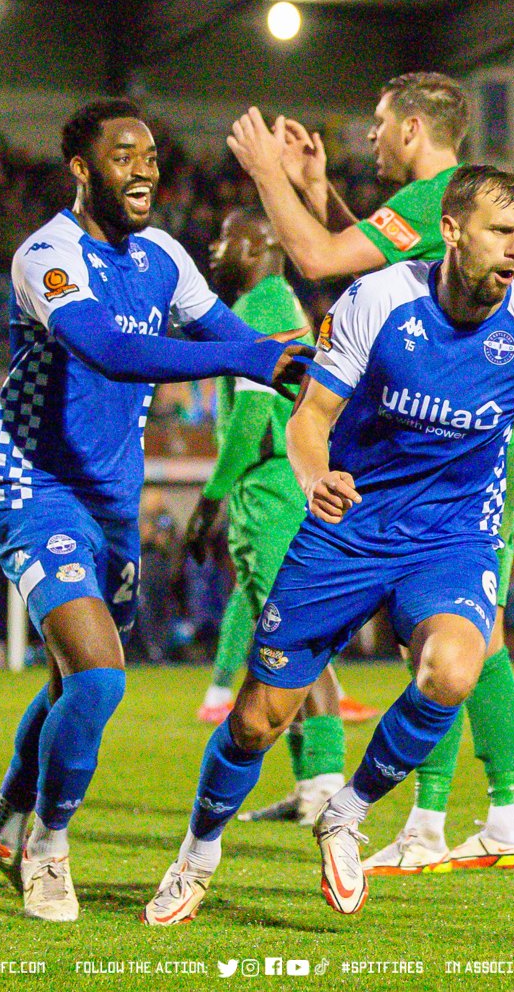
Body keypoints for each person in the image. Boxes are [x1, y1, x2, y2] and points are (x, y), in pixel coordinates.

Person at [143, 165, 514, 923]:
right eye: (501, 231)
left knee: (453, 669)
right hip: (348, 529)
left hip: (451, 538)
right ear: (453, 232)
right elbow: (309, 416)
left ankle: (348, 812)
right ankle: (196, 855)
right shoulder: (379, 300)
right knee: (260, 717)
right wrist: (315, 474)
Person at [0, 99, 313, 923]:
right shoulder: (46, 255)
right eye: (124, 156)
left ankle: (4, 818)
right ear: (83, 169)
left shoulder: (161, 256)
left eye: (151, 155)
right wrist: (253, 357)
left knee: (66, 683)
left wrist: (311, 372)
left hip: (113, 499)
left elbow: (233, 334)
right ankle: (46, 848)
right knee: (102, 676)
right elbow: (110, 351)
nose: (145, 169)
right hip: (35, 485)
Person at [227, 72, 514, 874]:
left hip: (459, 452)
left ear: (408, 128)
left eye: (375, 122)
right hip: (432, 446)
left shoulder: (440, 194)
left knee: (475, 642)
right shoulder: (443, 206)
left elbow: (318, 257)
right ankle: (438, 823)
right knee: (435, 649)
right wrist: (318, 186)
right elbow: (369, 277)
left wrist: (266, 172)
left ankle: (500, 813)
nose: (369, 137)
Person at [185, 208, 347, 823]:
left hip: (274, 494)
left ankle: (328, 788)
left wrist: (210, 499)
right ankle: (311, 788)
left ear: (257, 246)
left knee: (299, 644)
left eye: (227, 237)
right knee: (277, 644)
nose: (216, 245)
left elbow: (253, 421)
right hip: (266, 497)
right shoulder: (274, 305)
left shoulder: (265, 309)